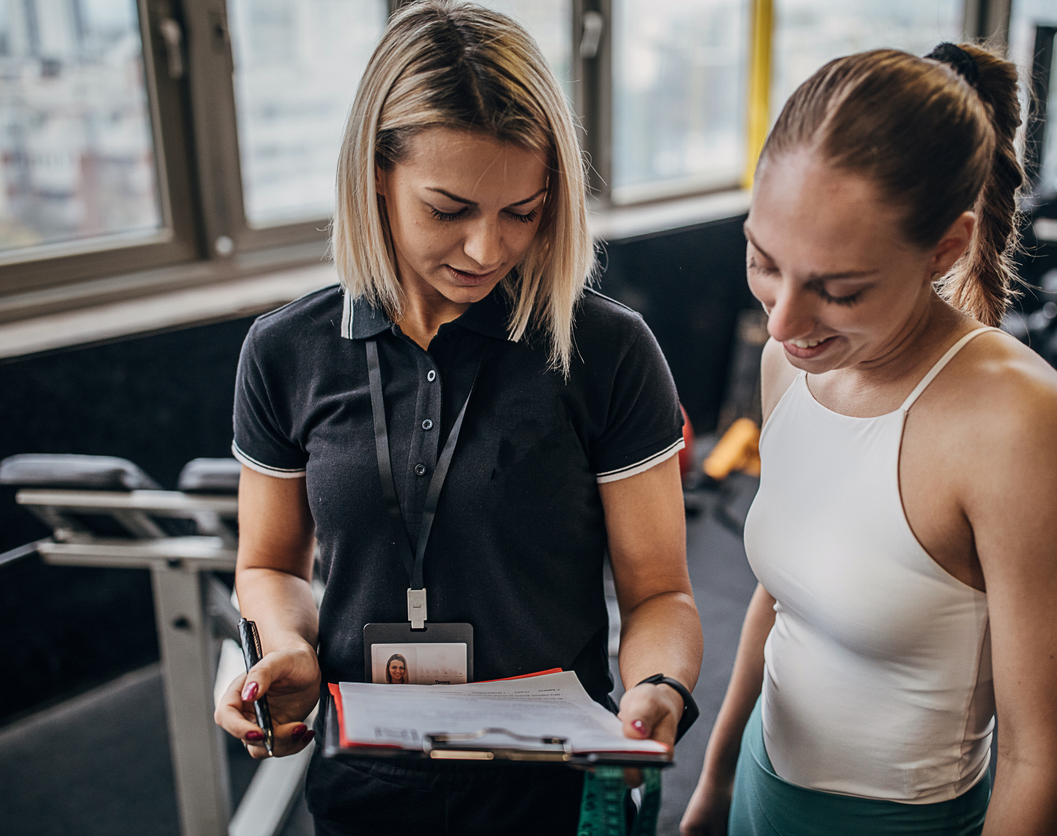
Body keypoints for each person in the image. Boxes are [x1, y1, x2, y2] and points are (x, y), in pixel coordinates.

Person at [212, 3, 702, 834]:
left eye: (522, 210)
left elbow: (659, 593)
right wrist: (284, 648)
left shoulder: (608, 351)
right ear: (375, 171)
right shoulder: (285, 351)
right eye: (449, 210)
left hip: (558, 786)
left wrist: (660, 688)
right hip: (368, 783)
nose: (487, 249)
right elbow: (270, 568)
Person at [681, 43, 1057, 836]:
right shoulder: (789, 366)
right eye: (762, 261)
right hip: (759, 791)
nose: (780, 323)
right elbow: (780, 605)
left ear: (946, 248)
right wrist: (713, 787)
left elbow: (1042, 761)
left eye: (838, 290)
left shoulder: (1025, 433)